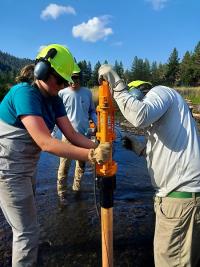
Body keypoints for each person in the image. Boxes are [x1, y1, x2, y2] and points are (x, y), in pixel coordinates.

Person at [0, 44, 111, 267]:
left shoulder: (54, 98)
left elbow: (70, 134)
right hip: (7, 172)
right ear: (42, 71)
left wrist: (98, 145)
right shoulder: (24, 93)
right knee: (26, 233)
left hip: (26, 169)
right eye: (59, 80)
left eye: (65, 81)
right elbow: (46, 142)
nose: (63, 85)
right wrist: (91, 155)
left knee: (27, 226)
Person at [98, 64, 200, 267]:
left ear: (141, 93)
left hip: (178, 202)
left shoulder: (160, 91)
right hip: (183, 200)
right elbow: (168, 150)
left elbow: (139, 116)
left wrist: (117, 84)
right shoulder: (169, 115)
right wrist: (140, 149)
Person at [57, 69, 97, 201]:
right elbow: (55, 113)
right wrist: (51, 132)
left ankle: (76, 188)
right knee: (64, 165)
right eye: (71, 78)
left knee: (81, 165)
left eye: (76, 78)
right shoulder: (61, 93)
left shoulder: (87, 92)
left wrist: (97, 124)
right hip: (67, 136)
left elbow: (92, 111)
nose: (74, 81)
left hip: (84, 135)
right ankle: (62, 192)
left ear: (80, 78)